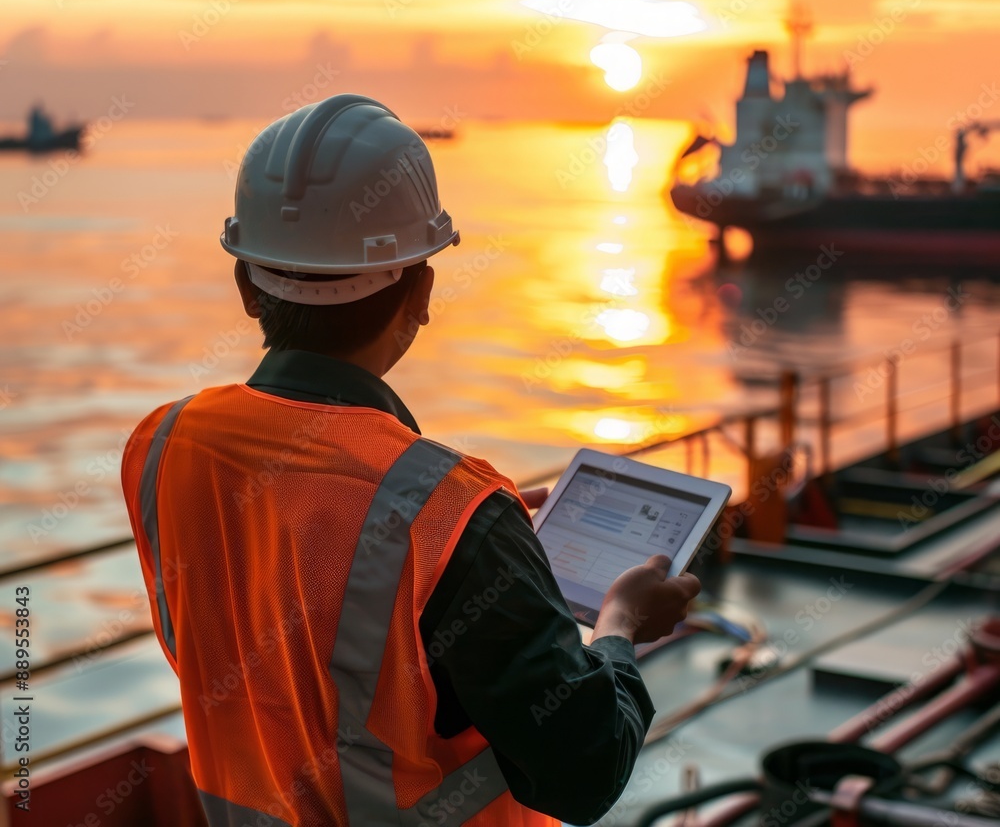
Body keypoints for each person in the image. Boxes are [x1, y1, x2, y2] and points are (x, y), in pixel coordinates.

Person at [121, 94, 701, 827]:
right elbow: (585, 773)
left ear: (245, 287)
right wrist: (619, 625)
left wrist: (481, 551)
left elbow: (279, 618)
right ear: (422, 290)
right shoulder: (453, 514)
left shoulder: (162, 445)